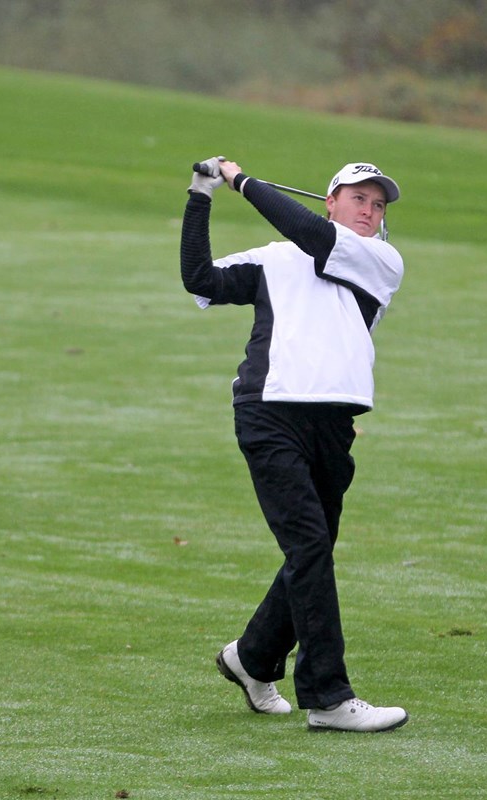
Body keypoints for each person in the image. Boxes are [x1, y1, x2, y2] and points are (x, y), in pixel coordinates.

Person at [179, 156, 409, 732]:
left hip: (333, 425)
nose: (369, 211)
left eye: (377, 205)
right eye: (358, 198)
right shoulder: (274, 260)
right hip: (268, 412)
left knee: (314, 549)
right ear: (331, 200)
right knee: (308, 545)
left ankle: (252, 658)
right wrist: (201, 194)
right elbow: (201, 279)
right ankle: (328, 697)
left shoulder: (378, 259)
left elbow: (310, 234)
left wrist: (242, 180)